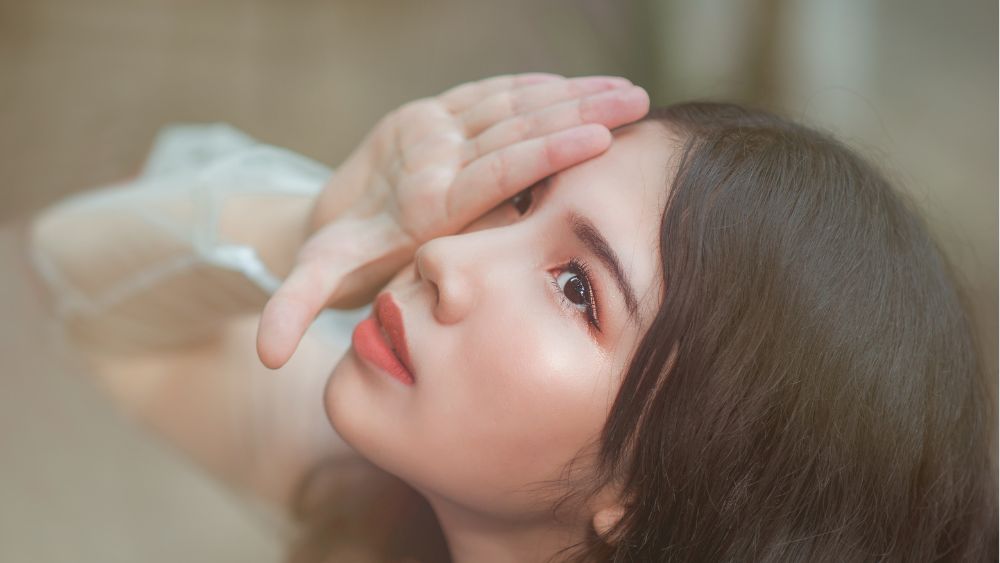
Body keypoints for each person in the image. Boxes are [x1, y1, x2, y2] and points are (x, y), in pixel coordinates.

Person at [28, 74, 996, 562]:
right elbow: (77, 295)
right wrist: (307, 225)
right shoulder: (384, 507)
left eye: (577, 289)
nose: (446, 256)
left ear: (658, 490)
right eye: (521, 200)